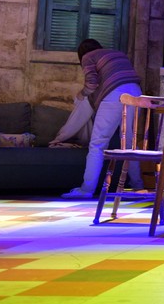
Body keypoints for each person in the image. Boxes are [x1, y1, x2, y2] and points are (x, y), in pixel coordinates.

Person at [61, 39, 143, 200]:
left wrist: (81, 94)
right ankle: (138, 187)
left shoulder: (88, 57)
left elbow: (92, 83)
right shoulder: (118, 54)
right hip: (136, 92)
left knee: (97, 144)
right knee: (129, 143)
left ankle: (86, 189)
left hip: (115, 94)